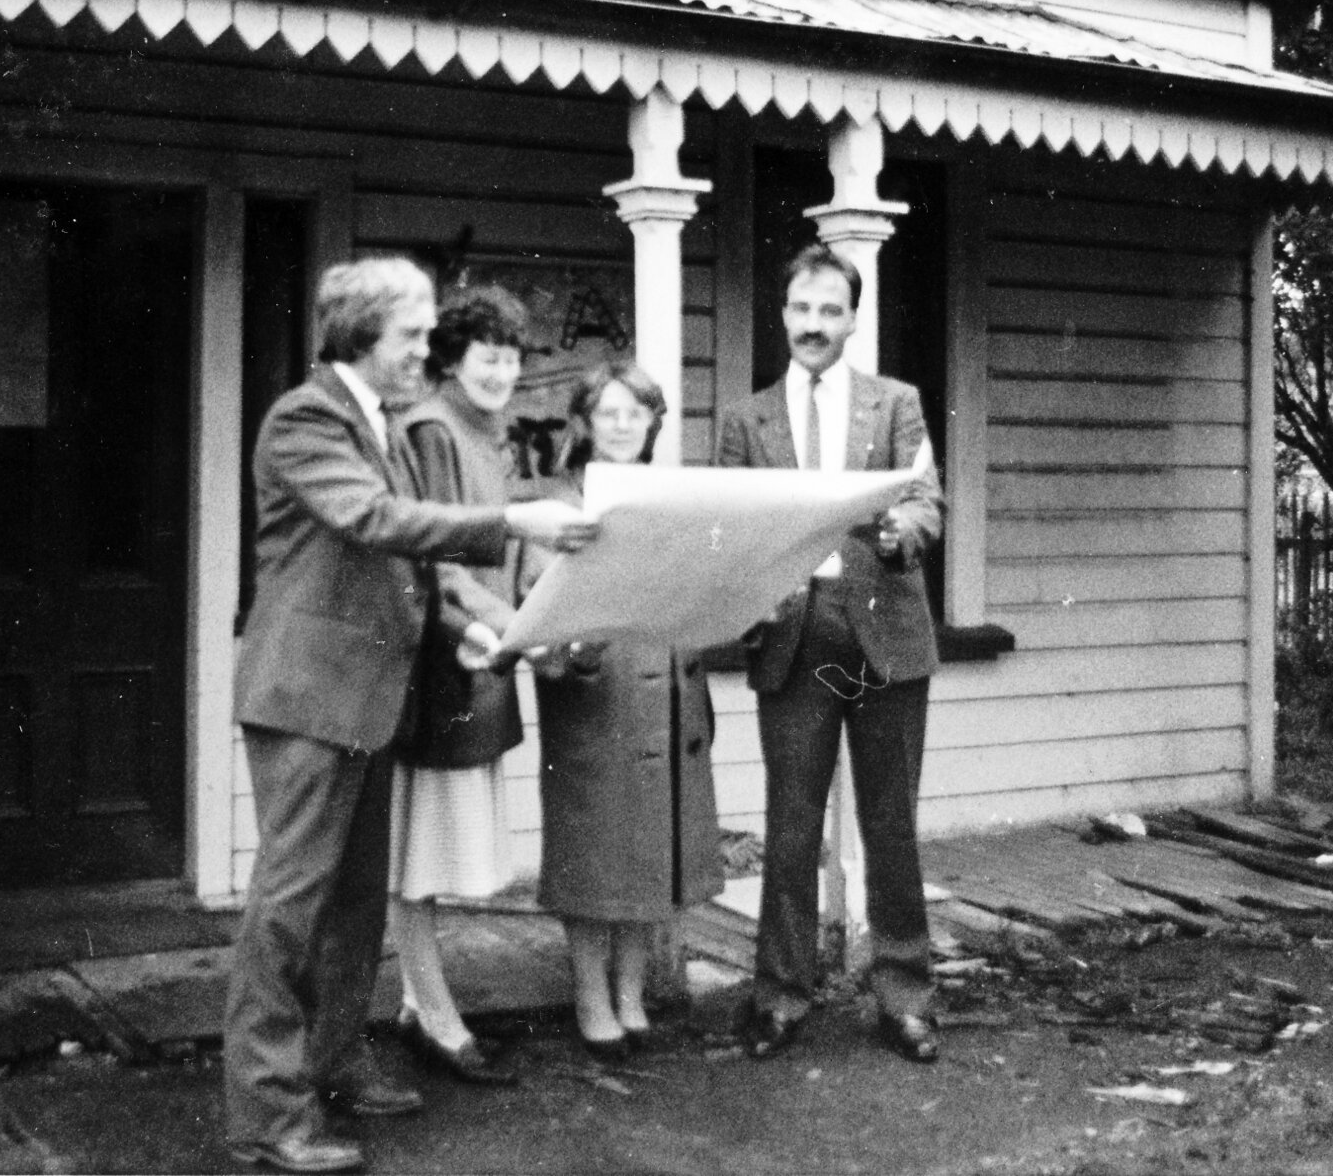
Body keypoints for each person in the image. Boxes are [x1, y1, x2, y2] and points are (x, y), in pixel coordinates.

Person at [225, 257, 595, 1176]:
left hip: (364, 698)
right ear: (359, 335)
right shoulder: (307, 417)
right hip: (307, 697)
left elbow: (413, 572)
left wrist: (486, 629)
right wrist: (513, 522)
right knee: (289, 908)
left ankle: (334, 1064)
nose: (425, 353)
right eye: (412, 338)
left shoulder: (375, 421)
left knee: (352, 905)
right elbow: (376, 521)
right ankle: (267, 1117)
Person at [715, 243, 946, 1066]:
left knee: (891, 827)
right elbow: (730, 532)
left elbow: (926, 502)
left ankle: (904, 995)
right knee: (789, 828)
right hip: (795, 638)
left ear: (852, 318)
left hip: (882, 628)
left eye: (829, 311)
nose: (813, 326)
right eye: (800, 310)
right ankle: (780, 994)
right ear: (783, 315)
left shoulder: (894, 406)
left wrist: (900, 532)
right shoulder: (745, 419)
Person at [531, 361, 724, 1060]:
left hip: (667, 700)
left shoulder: (671, 499)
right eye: (607, 412)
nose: (620, 425)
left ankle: (632, 991)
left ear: (651, 424)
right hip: (592, 700)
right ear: (585, 422)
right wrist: (569, 647)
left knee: (652, 853)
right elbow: (532, 615)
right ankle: (589, 993)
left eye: (634, 413)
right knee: (593, 857)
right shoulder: (556, 503)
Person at [388, 286, 533, 1088]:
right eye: (488, 357)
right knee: (419, 849)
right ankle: (434, 1018)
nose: (502, 372)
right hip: (441, 663)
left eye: (512, 358)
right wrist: (504, 626)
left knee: (437, 847)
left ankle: (422, 1003)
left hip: (481, 658)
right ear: (452, 358)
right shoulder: (435, 430)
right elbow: (438, 566)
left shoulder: (483, 432)